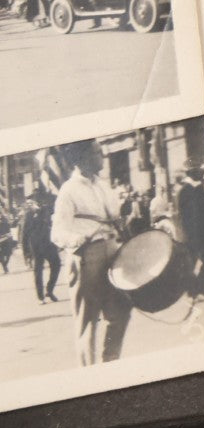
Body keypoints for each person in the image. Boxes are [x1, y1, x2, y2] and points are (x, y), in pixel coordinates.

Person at [51, 140, 132, 365]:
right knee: (88, 322)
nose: (103, 155)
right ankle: (89, 374)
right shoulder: (69, 190)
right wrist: (78, 240)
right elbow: (57, 231)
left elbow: (114, 216)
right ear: (83, 157)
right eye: (97, 152)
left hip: (112, 251)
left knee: (122, 309)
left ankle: (110, 361)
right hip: (87, 257)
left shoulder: (103, 185)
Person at [175, 161, 204, 299]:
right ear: (191, 173)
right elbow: (187, 216)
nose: (202, 173)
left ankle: (199, 289)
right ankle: (193, 290)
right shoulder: (186, 191)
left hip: (202, 232)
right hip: (193, 234)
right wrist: (190, 235)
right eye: (198, 171)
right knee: (191, 263)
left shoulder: (196, 189)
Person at [22, 189, 61, 304]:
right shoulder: (29, 215)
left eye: (40, 199)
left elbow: (55, 223)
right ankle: (40, 296)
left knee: (57, 265)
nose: (39, 202)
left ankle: (49, 289)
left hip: (49, 245)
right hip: (36, 247)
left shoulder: (47, 211)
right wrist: (26, 253)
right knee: (38, 271)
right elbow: (24, 235)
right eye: (36, 200)